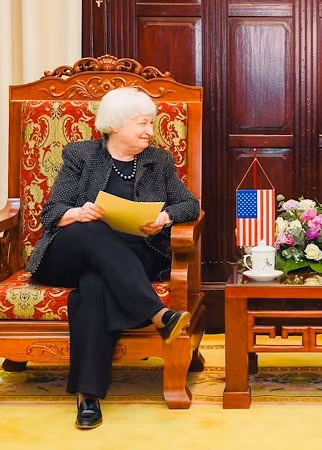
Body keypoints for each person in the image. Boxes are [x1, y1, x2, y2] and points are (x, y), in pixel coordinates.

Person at [25, 87, 200, 429]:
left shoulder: (158, 162)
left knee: (94, 288)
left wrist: (163, 219)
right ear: (117, 125)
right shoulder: (81, 156)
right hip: (70, 253)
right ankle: (159, 314)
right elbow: (52, 212)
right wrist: (78, 212)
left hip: (133, 257)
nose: (150, 130)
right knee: (95, 231)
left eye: (152, 122)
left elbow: (189, 205)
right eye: (142, 123)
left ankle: (87, 397)